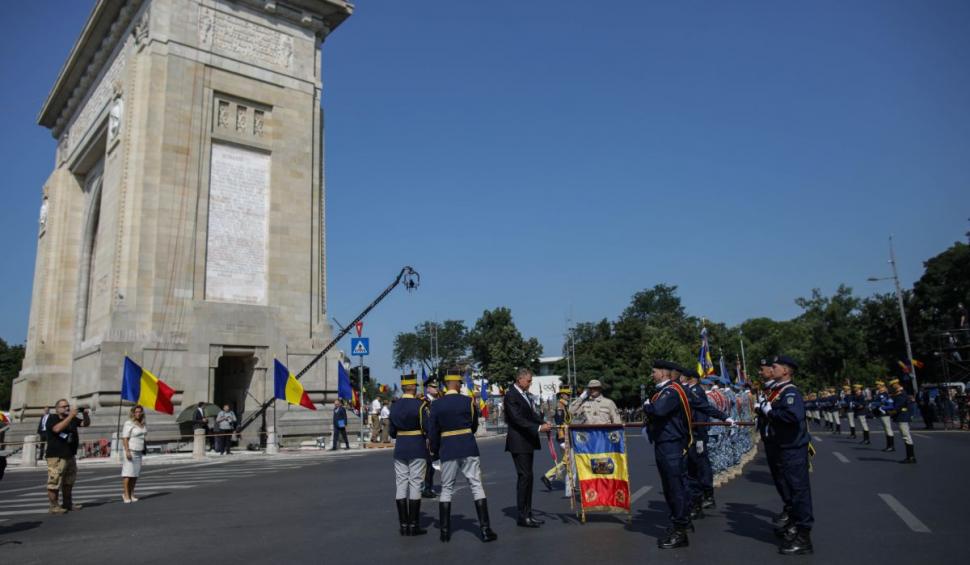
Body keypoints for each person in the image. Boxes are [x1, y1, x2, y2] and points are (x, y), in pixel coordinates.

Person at [427, 371, 497, 543]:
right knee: (476, 485)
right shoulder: (468, 402)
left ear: (445, 385)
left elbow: (433, 432)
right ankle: (485, 530)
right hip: (467, 446)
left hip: (447, 449)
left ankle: (444, 532)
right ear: (458, 384)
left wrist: (435, 452)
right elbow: (473, 426)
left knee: (446, 488)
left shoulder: (436, 405)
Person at [761, 356, 814, 555]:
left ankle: (803, 536)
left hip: (792, 449)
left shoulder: (790, 392)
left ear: (785, 371)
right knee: (791, 490)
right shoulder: (779, 391)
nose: (770, 369)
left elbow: (792, 416)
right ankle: (795, 527)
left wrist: (769, 412)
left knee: (799, 492)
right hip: (783, 447)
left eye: (774, 367)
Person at [643, 360, 693, 549]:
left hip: (671, 445)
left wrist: (647, 405)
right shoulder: (664, 391)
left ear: (663, 373)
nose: (652, 374)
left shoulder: (671, 392)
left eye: (654, 371)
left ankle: (680, 529)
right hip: (665, 443)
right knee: (670, 487)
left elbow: (658, 410)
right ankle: (679, 523)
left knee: (675, 488)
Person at [504, 368, 554, 528]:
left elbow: (530, 415)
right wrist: (539, 429)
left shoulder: (524, 395)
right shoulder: (511, 395)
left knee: (528, 478)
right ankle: (522, 516)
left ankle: (528, 513)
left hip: (526, 441)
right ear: (519, 379)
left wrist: (543, 422)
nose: (530, 383)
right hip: (518, 442)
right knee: (524, 477)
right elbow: (517, 419)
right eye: (528, 380)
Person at [683, 365, 732, 516]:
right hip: (702, 432)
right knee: (698, 465)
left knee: (700, 465)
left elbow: (701, 412)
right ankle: (702, 497)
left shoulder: (696, 391)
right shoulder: (698, 391)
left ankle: (704, 496)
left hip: (699, 433)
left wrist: (698, 432)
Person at [389, 372, 431, 536]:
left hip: (400, 447)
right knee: (415, 484)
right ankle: (414, 524)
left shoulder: (395, 406)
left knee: (401, 484)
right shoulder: (420, 405)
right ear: (414, 388)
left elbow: (392, 432)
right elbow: (427, 428)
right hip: (416, 447)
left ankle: (403, 525)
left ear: (403, 387)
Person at [45, 398, 91, 514]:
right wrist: (70, 416)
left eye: (68, 406)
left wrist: (85, 415)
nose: (67, 408)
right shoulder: (51, 418)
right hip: (56, 456)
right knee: (55, 481)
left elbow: (85, 424)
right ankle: (54, 506)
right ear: (57, 409)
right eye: (64, 406)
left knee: (69, 481)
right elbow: (56, 429)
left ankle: (67, 503)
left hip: (70, 454)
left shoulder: (72, 418)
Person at [541, 385, 573, 494]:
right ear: (562, 395)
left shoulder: (565, 405)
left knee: (568, 462)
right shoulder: (560, 405)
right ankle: (547, 476)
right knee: (567, 461)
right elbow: (559, 421)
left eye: (569, 394)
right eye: (567, 394)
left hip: (566, 435)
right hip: (563, 436)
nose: (569, 396)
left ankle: (570, 485)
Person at [121, 405, 147, 503]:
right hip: (130, 450)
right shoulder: (128, 423)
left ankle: (132, 494)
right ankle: (126, 494)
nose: (138, 413)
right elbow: (125, 438)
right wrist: (127, 451)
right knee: (128, 474)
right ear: (133, 413)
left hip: (139, 451)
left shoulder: (143, 423)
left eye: (140, 411)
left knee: (135, 474)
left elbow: (143, 436)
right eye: (136, 412)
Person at [420, 377, 440, 498]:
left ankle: (429, 486)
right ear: (428, 388)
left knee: (433, 463)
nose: (436, 388)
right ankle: (425, 488)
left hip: (436, 436)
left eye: (436, 386)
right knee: (427, 463)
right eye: (433, 387)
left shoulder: (438, 401)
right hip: (426, 436)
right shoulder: (423, 401)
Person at [888, 379, 917, 463]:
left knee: (906, 437)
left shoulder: (901, 395)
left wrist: (891, 412)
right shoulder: (899, 394)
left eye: (893, 386)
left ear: (896, 385)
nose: (892, 388)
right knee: (906, 437)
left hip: (902, 417)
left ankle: (911, 457)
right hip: (902, 417)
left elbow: (898, 407)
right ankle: (910, 456)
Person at [871, 380, 896, 452]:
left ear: (881, 386)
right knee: (886, 429)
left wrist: (876, 404)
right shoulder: (879, 393)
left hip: (884, 413)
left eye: (878, 385)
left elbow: (886, 404)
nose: (877, 386)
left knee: (888, 429)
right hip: (881, 413)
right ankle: (888, 445)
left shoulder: (884, 394)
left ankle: (891, 446)